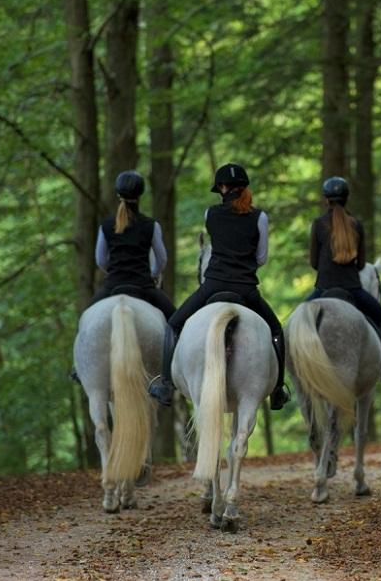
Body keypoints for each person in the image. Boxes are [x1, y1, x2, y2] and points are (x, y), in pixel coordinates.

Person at [149, 163, 289, 410]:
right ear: (244, 187)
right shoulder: (260, 217)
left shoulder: (210, 214)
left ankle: (166, 384)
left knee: (172, 325)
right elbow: (261, 258)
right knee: (277, 331)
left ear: (222, 188)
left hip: (212, 286)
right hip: (246, 289)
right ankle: (278, 389)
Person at [308, 176, 381, 382]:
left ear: (326, 200)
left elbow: (314, 263)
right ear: (346, 199)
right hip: (352, 289)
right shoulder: (356, 225)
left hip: (323, 289)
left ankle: (292, 371)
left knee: (294, 324)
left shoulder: (318, 224)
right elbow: (360, 265)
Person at [90, 170, 176, 319]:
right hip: (143, 285)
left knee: (85, 321)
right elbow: (161, 260)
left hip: (113, 284)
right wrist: (153, 275)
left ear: (118, 195)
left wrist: (114, 271)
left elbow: (101, 260)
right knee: (177, 321)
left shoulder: (106, 226)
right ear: (140, 194)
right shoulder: (151, 225)